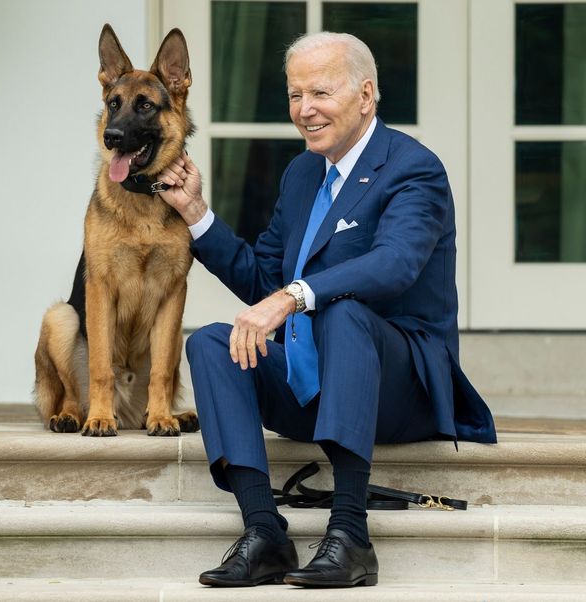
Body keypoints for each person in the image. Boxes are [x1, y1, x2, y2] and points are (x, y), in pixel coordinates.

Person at [155, 31, 496, 589]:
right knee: (211, 343)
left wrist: (293, 297)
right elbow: (266, 279)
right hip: (314, 383)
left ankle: (350, 533)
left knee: (342, 311)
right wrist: (197, 215)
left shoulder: (414, 169)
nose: (304, 110)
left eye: (320, 92)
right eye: (294, 95)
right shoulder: (302, 173)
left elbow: (394, 265)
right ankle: (264, 531)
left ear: (366, 96)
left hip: (398, 386)